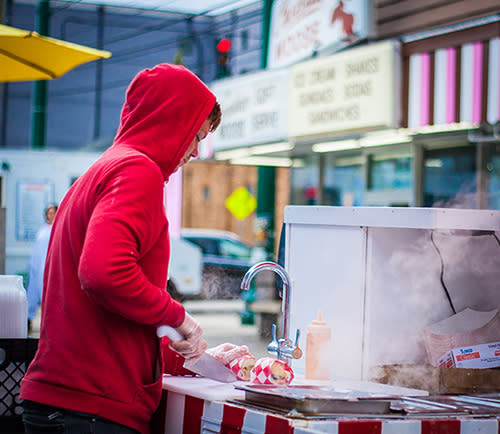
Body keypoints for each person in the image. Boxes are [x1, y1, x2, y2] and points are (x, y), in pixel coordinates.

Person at [20, 64, 224, 434]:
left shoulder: (102, 169)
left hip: (64, 399)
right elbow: (103, 273)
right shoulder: (137, 171)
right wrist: (178, 317)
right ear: (170, 120)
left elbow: (96, 312)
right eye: (196, 135)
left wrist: (178, 354)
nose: (195, 152)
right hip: (91, 407)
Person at [26, 204, 57, 333]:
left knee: (50, 296)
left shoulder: (58, 228)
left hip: (51, 268)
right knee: (33, 293)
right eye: (48, 213)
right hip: (37, 268)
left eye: (53, 212)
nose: (50, 215)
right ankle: (28, 320)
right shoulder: (42, 230)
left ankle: (50, 325)